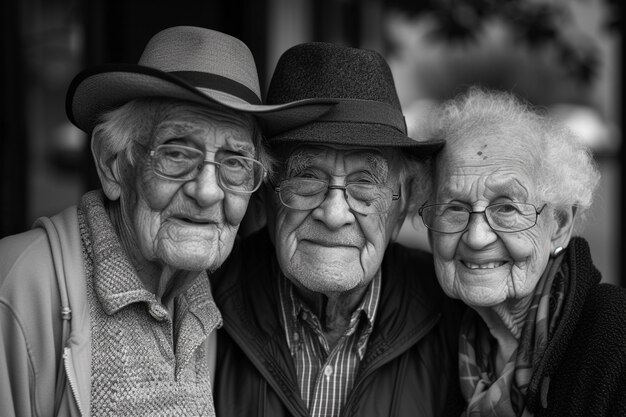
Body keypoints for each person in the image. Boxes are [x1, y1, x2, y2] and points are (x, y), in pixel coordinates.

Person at [0, 26, 332, 417]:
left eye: (235, 162)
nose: (208, 191)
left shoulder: (199, 309)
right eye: (176, 153)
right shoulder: (17, 286)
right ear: (113, 165)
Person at [212, 42, 465, 417]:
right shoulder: (205, 305)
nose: (334, 214)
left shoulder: (454, 317)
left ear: (404, 202)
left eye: (366, 184)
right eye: (307, 177)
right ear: (265, 193)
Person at [414, 87, 626, 416]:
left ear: (559, 223)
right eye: (455, 208)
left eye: (507, 208)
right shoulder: (436, 338)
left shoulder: (616, 340)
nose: (477, 237)